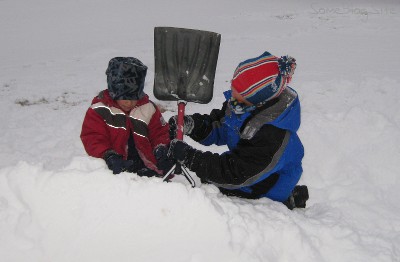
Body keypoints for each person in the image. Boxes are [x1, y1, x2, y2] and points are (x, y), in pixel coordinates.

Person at [168, 51, 309, 209]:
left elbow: (234, 172)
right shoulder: (240, 105)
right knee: (211, 175)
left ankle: (287, 200)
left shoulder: (272, 134)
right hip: (249, 164)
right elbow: (221, 126)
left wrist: (191, 157)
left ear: (256, 100)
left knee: (213, 185)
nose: (232, 95)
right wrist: (192, 125)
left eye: (238, 93)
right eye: (233, 87)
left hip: (266, 184)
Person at [80, 57, 173, 177]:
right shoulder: (100, 110)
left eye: (134, 97)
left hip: (146, 165)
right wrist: (108, 155)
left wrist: (161, 149)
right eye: (124, 97)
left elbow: (160, 133)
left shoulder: (148, 109)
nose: (129, 103)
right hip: (115, 166)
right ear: (113, 91)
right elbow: (93, 137)